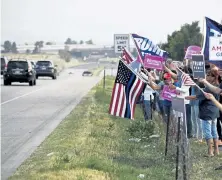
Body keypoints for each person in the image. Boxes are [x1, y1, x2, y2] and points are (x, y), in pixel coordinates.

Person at [186, 70, 220, 157]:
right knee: (214, 131)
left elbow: (196, 97)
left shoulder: (208, 88)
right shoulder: (217, 86)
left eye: (209, 75)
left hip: (207, 111)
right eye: (207, 75)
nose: (207, 76)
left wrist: (185, 97)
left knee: (208, 132)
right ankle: (216, 150)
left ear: (214, 77)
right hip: (215, 111)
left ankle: (210, 151)